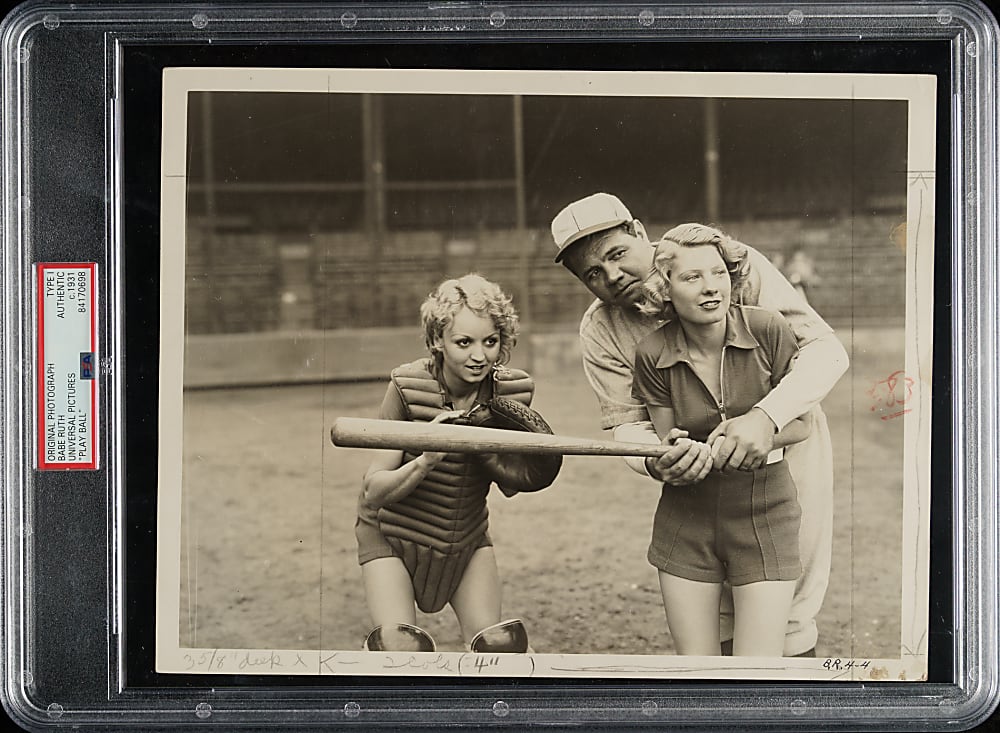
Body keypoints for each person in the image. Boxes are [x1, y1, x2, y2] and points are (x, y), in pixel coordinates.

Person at [551, 193, 848, 657]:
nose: (611, 277)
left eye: (616, 255)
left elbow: (825, 351)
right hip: (696, 475)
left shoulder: (726, 265)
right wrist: (656, 461)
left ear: (638, 232)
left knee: (787, 606)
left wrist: (765, 417)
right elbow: (628, 427)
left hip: (784, 441)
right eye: (592, 273)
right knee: (715, 614)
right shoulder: (602, 328)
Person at [354, 274, 561, 654]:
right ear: (437, 341)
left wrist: (510, 455)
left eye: (490, 341)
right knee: (399, 651)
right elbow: (374, 491)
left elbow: (511, 484)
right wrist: (426, 458)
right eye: (464, 342)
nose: (479, 356)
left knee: (500, 650)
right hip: (393, 532)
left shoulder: (511, 393)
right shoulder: (407, 386)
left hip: (463, 535)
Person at [630, 223, 809, 655]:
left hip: (765, 510)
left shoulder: (769, 329)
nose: (711, 288)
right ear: (665, 289)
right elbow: (664, 439)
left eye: (719, 273)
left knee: (756, 675)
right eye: (692, 278)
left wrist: (757, 431)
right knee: (696, 674)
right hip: (685, 516)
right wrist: (672, 456)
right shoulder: (652, 352)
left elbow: (801, 423)